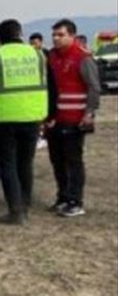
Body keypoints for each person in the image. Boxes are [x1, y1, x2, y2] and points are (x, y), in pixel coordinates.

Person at [0, 20, 50, 225]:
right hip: (32, 116)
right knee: (25, 162)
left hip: (3, 118)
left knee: (8, 164)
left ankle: (16, 211)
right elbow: (50, 84)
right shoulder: (37, 54)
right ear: (20, 33)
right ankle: (26, 203)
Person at [46, 20, 102, 217]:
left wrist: (89, 113)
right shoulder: (51, 56)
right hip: (54, 118)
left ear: (72, 35)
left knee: (73, 160)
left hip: (75, 118)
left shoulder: (82, 57)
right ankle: (62, 196)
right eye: (54, 35)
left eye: (60, 35)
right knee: (57, 160)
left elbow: (94, 87)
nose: (56, 38)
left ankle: (75, 200)